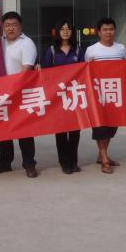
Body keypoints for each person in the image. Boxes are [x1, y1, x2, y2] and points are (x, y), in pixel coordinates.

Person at [0, 11, 39, 178]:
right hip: (0, 93)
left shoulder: (27, 43)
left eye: (14, 25)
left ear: (20, 26)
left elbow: (26, 70)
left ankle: (29, 164)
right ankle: (4, 162)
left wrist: (13, 89)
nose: (11, 28)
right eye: (7, 25)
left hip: (21, 92)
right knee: (2, 129)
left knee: (24, 130)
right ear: (3, 27)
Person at [84, 17, 126, 174]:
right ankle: (104, 160)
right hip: (98, 96)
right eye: (105, 29)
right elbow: (86, 72)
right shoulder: (91, 50)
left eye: (111, 29)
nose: (108, 32)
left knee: (111, 127)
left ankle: (101, 155)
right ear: (99, 32)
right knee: (100, 128)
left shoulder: (121, 49)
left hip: (116, 95)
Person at [41, 19, 84, 174]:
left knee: (75, 130)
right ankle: (64, 162)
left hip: (74, 95)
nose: (66, 31)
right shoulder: (52, 51)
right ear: (57, 32)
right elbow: (45, 73)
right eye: (62, 29)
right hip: (57, 97)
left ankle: (74, 161)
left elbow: (84, 70)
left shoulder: (78, 50)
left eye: (68, 29)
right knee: (60, 130)